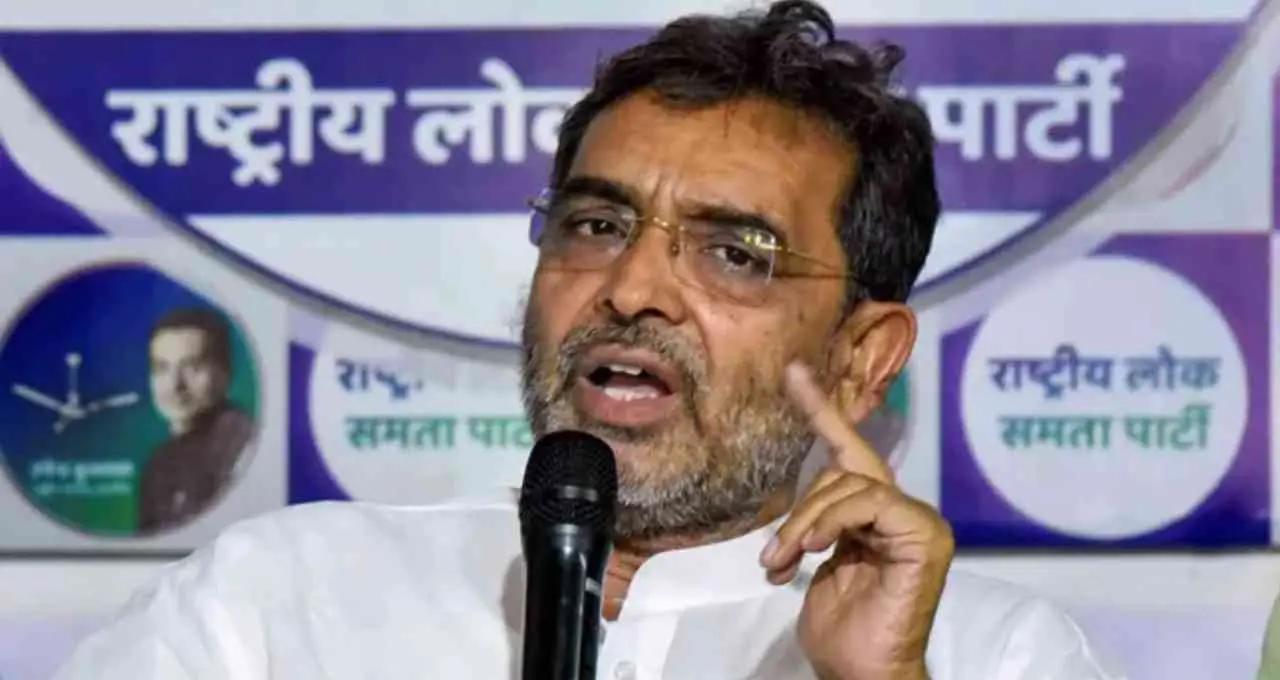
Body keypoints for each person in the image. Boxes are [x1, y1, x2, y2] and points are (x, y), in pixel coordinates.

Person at [57, 2, 1121, 677]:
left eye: (735, 251)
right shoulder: (277, 600)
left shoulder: (985, 651)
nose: (632, 289)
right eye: (598, 225)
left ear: (863, 355)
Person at [136, 307, 255, 535]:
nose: (175, 385)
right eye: (161, 368)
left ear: (225, 373)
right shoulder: (158, 466)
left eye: (192, 367)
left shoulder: (242, 447)